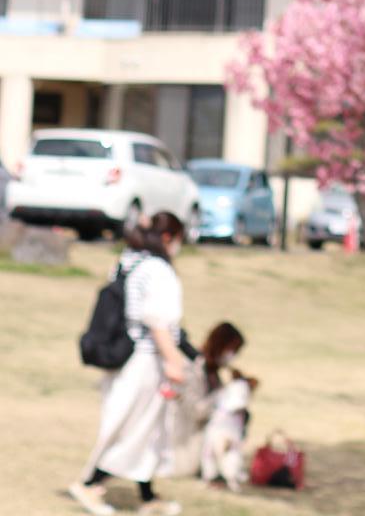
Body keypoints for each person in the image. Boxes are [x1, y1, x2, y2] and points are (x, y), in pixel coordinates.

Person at [68, 211, 187, 516]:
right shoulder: (158, 270)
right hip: (146, 360)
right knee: (133, 427)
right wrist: (173, 360)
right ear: (167, 237)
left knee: (146, 429)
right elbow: (157, 321)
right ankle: (90, 484)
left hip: (127, 357)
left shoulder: (128, 261)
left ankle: (148, 498)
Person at [171, 321, 246, 480]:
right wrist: (223, 394)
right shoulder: (194, 368)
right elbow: (196, 411)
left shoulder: (214, 372)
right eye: (233, 350)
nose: (233, 356)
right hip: (187, 443)